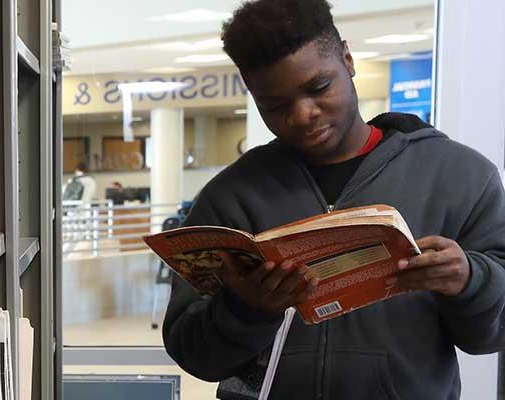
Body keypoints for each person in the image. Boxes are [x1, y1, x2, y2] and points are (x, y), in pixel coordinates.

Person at [161, 0, 505, 399]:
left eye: (318, 87)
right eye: (275, 105)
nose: (303, 114)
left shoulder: (459, 176)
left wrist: (469, 280)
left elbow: (491, 336)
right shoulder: (231, 197)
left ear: (347, 58)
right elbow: (195, 356)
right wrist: (246, 310)